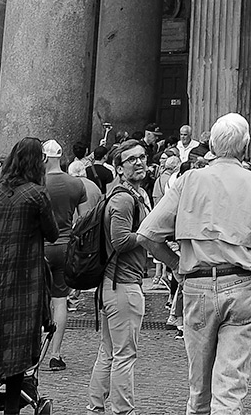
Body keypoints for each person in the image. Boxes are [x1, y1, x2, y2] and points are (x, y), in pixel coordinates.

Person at [138, 111, 251, 415]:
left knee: (199, 391)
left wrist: (178, 266)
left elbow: (147, 235)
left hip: (197, 285)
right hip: (242, 285)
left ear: (213, 144)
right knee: (229, 391)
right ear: (245, 146)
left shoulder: (188, 180)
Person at [0, 137, 60, 414]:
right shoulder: (37, 194)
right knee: (16, 341)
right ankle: (13, 408)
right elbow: (52, 233)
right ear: (37, 162)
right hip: (24, 277)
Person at [88, 140, 156, 415]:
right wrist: (150, 233)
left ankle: (95, 406)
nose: (139, 163)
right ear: (118, 168)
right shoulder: (124, 199)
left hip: (116, 284)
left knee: (109, 350)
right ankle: (123, 411)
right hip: (122, 285)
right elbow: (119, 240)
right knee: (124, 354)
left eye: (142, 157)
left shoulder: (129, 195)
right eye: (131, 160)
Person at [40, 139, 87, 373]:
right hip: (65, 245)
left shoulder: (37, 184)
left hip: (41, 246)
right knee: (60, 301)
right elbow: (84, 219)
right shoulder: (76, 184)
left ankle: (31, 351)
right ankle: (55, 354)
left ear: (44, 158)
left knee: (36, 298)